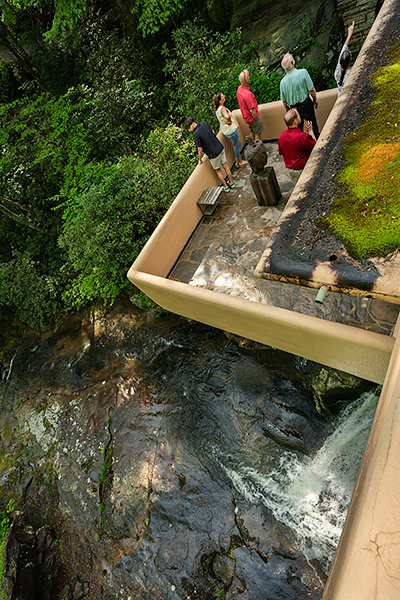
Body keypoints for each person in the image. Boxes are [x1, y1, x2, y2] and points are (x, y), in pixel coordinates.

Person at [183, 117, 234, 192]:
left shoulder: (196, 134)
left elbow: (200, 149)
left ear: (193, 124)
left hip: (213, 154)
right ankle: (231, 183)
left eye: (189, 128)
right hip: (220, 147)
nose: (189, 130)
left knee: (218, 171)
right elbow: (213, 132)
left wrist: (200, 159)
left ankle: (226, 187)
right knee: (225, 166)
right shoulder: (204, 123)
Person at [280, 54, 319, 139]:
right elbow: (311, 89)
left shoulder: (282, 82)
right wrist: (315, 99)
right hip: (306, 104)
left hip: (293, 108)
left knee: (298, 131)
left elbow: (284, 101)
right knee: (313, 126)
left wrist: (288, 110)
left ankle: (302, 146)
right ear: (292, 62)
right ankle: (316, 143)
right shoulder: (303, 72)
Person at [213, 91, 247, 169]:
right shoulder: (222, 108)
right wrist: (229, 121)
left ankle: (237, 160)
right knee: (236, 145)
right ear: (220, 101)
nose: (224, 96)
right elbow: (227, 116)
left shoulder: (217, 109)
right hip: (231, 130)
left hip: (226, 131)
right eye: (222, 96)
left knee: (237, 143)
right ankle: (240, 161)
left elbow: (221, 120)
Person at [236, 70, 264, 140]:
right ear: (246, 80)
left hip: (247, 118)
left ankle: (251, 147)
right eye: (248, 77)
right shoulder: (248, 95)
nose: (249, 78)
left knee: (252, 131)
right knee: (258, 134)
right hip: (252, 118)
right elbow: (252, 110)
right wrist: (257, 119)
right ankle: (258, 150)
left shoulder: (239, 89)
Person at [334, 21, 355, 96]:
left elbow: (342, 51)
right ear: (350, 59)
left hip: (340, 97)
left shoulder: (337, 72)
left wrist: (349, 35)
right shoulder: (351, 73)